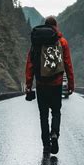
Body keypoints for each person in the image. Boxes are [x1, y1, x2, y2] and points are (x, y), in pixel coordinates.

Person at [25, 16, 75, 154]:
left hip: (41, 84)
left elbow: (30, 64)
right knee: (56, 112)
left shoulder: (37, 42)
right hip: (57, 84)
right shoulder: (62, 42)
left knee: (43, 115)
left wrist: (28, 85)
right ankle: (54, 134)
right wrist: (71, 83)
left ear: (45, 25)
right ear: (56, 26)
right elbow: (68, 64)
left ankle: (46, 145)